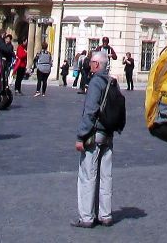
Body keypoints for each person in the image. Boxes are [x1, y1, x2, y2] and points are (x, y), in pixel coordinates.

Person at [73, 51, 120, 227]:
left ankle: (86, 217)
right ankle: (105, 215)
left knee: (87, 175)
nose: (90, 65)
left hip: (94, 134)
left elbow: (90, 111)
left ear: (97, 65)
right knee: (106, 176)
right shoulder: (112, 82)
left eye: (92, 62)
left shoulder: (95, 83)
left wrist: (80, 136)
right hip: (109, 134)